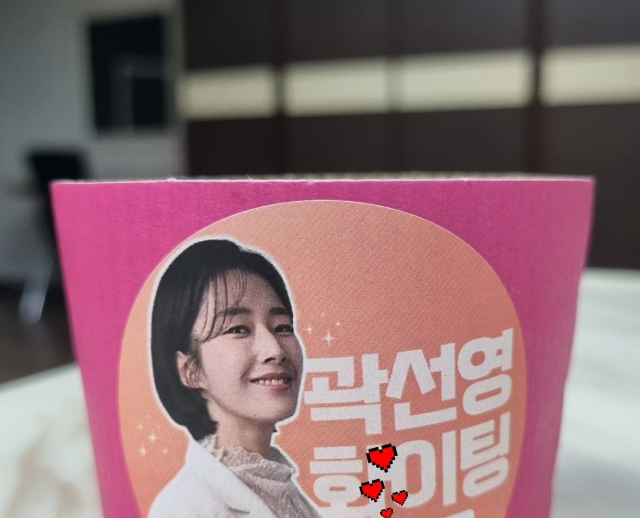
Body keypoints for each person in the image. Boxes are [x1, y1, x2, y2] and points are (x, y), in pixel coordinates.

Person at [148, 239, 323, 518]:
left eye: (282, 327)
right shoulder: (184, 508)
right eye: (238, 329)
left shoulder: (277, 485)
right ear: (191, 369)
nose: (275, 350)